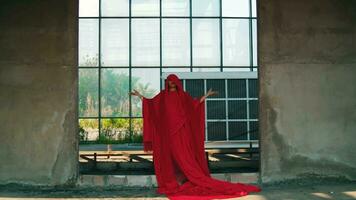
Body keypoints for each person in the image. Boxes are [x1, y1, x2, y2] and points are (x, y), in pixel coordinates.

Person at [130, 73, 261, 200]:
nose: (171, 83)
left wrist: (206, 96)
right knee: (168, 157)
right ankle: (175, 180)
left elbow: (193, 105)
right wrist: (140, 96)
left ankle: (190, 177)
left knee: (184, 156)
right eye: (169, 81)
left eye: (173, 80)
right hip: (167, 135)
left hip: (181, 133)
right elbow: (151, 104)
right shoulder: (162, 96)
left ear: (177, 83)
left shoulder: (183, 96)